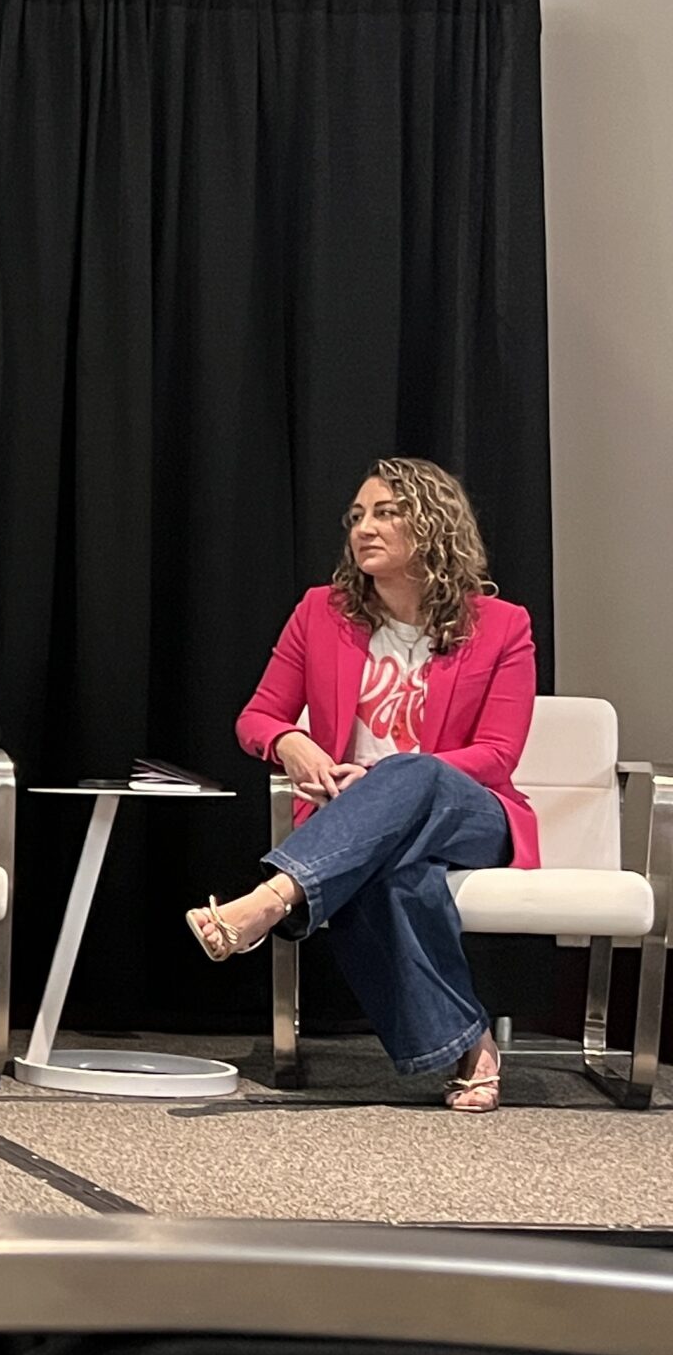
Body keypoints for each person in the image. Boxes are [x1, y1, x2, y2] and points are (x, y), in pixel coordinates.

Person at [188, 457, 533, 1111]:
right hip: (360, 825)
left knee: (412, 768)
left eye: (384, 512)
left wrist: (386, 771)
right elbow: (257, 716)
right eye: (356, 516)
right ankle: (473, 1045)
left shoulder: (503, 624)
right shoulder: (322, 612)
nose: (363, 528)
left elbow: (496, 754)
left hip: (473, 814)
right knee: (396, 873)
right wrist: (293, 742)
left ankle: (269, 901)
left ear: (433, 526)